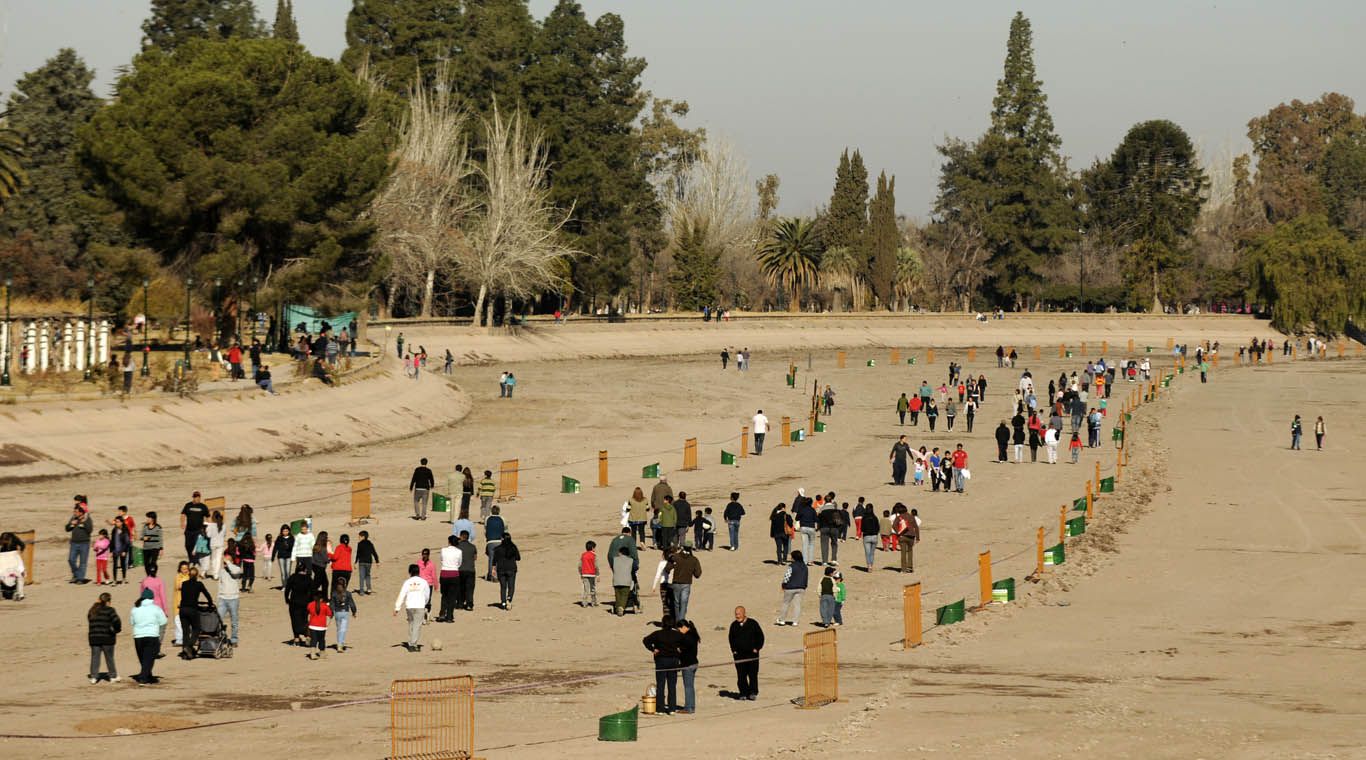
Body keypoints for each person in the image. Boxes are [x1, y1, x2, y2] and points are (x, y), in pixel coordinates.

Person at [643, 616, 685, 714]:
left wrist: (652, 649)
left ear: (663, 623)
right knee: (672, 686)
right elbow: (685, 642)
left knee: (660, 685)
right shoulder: (677, 635)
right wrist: (680, 650)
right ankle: (672, 709)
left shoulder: (658, 634)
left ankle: (660, 709)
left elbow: (645, 640)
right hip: (673, 661)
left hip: (661, 661)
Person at [130, 589, 167, 685]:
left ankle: (148, 675)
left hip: (138, 636)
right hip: (152, 635)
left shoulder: (135, 609)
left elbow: (132, 622)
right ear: (152, 598)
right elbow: (163, 621)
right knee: (149, 658)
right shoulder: (156, 608)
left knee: (143, 658)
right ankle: (143, 678)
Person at [729, 606, 764, 700]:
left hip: (752, 655)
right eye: (736, 614)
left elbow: (760, 636)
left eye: (739, 614)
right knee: (741, 675)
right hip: (739, 655)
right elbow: (731, 639)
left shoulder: (753, 623)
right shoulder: (734, 625)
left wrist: (757, 648)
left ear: (744, 613)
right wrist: (734, 650)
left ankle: (753, 692)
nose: (737, 616)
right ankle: (743, 693)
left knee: (752, 674)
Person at [177, 565, 212, 659]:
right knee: (196, 629)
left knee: (185, 631)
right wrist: (210, 604)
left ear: (189, 574)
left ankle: (185, 652)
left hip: (183, 609)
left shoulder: (184, 584)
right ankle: (189, 646)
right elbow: (207, 595)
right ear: (197, 576)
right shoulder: (199, 584)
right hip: (192, 609)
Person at [87, 592, 122, 683]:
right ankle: (112, 676)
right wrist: (116, 630)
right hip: (107, 637)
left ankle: (94, 677)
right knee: (109, 657)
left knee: (95, 658)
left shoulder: (92, 610)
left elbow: (90, 620)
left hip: (94, 637)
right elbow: (117, 621)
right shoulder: (110, 610)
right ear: (108, 601)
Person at [394, 564, 429, 652]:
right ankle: (413, 644)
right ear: (418, 572)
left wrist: (397, 608)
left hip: (409, 606)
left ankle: (411, 643)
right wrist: (425, 603)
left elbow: (402, 595)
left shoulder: (407, 582)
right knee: (417, 625)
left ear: (410, 572)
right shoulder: (423, 582)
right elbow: (427, 595)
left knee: (411, 624)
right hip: (419, 606)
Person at [666, 546, 701, 621]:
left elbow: (667, 568)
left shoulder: (675, 557)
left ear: (682, 548)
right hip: (686, 584)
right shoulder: (694, 559)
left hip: (676, 583)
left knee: (676, 603)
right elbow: (697, 574)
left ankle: (678, 621)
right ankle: (681, 622)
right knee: (684, 603)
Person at [217, 547, 242, 645]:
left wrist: (228, 562)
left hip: (233, 599)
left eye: (227, 560)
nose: (224, 563)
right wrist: (218, 597)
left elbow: (235, 572)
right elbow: (220, 585)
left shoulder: (236, 569)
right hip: (222, 599)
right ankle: (221, 637)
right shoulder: (222, 571)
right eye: (224, 561)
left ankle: (234, 639)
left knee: (234, 621)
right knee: (218, 620)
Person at [284, 562, 313, 646]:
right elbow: (313, 591)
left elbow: (287, 590)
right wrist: (311, 601)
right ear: (305, 570)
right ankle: (307, 635)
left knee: (294, 620)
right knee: (304, 620)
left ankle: (296, 638)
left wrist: (287, 599)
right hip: (305, 603)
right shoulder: (308, 578)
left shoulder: (292, 577)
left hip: (294, 602)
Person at [677, 618, 701, 714]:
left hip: (688, 664)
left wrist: (678, 650)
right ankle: (691, 706)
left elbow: (683, 650)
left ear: (683, 627)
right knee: (690, 686)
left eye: (679, 630)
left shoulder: (687, 637)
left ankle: (689, 708)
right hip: (694, 663)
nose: (679, 632)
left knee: (688, 687)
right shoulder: (693, 634)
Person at [777, 551, 808, 625]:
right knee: (797, 605)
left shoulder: (791, 566)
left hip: (790, 588)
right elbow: (806, 577)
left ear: (794, 558)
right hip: (801, 587)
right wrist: (804, 586)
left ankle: (782, 620)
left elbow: (787, 576)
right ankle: (795, 621)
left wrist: (783, 585)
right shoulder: (805, 567)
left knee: (786, 603)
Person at [437, 535, 461, 622]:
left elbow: (442, 560)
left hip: (444, 574)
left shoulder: (443, 550)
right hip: (454, 574)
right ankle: (450, 616)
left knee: (444, 596)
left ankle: (442, 613)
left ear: (449, 542)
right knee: (452, 597)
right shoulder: (459, 551)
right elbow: (459, 563)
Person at [493, 533, 520, 609]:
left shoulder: (497, 548)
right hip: (511, 568)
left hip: (501, 569)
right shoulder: (513, 547)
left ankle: (503, 603)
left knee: (503, 587)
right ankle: (509, 598)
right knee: (511, 586)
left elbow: (494, 560)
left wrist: (493, 568)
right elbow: (518, 558)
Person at [180, 491, 209, 562]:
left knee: (196, 546)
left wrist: (208, 526)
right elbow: (183, 514)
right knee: (187, 545)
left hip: (198, 530)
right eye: (196, 497)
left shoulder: (203, 506)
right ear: (193, 498)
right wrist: (182, 523)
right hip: (189, 530)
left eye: (198, 497)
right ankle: (191, 558)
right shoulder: (188, 505)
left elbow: (208, 516)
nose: (197, 499)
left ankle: (195, 560)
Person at [331, 577, 357, 652]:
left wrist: (331, 612)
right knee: (343, 629)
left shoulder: (334, 593)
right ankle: (340, 644)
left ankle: (339, 643)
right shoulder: (348, 593)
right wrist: (354, 612)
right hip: (345, 612)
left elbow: (332, 604)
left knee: (339, 629)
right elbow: (352, 604)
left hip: (337, 613)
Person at [305, 592, 333, 660]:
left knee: (314, 640)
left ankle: (312, 654)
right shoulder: (325, 606)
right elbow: (330, 615)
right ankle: (322, 653)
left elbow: (308, 613)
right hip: (322, 626)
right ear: (321, 599)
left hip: (312, 626)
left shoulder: (310, 604)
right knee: (321, 640)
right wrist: (327, 625)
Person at [893, 506, 920, 573]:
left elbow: (894, 525)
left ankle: (903, 569)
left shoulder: (899, 517)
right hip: (911, 536)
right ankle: (910, 567)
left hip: (902, 536)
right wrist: (917, 538)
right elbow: (916, 527)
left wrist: (898, 532)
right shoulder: (911, 516)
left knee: (903, 553)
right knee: (910, 551)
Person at [456, 531, 477, 610]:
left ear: (461, 536)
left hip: (460, 569)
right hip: (470, 570)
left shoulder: (457, 546)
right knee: (470, 588)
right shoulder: (473, 546)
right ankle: (469, 604)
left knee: (460, 587)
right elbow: (475, 558)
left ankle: (460, 603)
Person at [611, 546, 634, 616]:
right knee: (624, 595)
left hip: (616, 580)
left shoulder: (615, 559)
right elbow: (635, 568)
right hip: (626, 581)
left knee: (618, 595)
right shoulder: (631, 560)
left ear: (621, 553)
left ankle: (618, 607)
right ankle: (621, 607)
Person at [484, 508, 506, 580]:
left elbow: (485, 528)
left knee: (491, 559)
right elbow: (505, 528)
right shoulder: (502, 518)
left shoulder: (487, 518)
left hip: (490, 541)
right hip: (499, 541)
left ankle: (492, 575)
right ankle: (498, 574)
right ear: (499, 511)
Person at [139, 512, 163, 579]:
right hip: (146, 548)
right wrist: (144, 538)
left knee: (153, 562)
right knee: (146, 564)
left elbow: (160, 539)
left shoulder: (158, 527)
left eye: (148, 517)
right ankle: (148, 576)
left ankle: (153, 574)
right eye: (147, 517)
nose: (147, 519)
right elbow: (141, 536)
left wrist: (161, 549)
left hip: (155, 548)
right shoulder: (145, 527)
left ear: (153, 518)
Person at [355, 531, 379, 595]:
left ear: (363, 537)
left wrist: (355, 562)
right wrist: (377, 561)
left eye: (359, 536)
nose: (358, 538)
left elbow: (358, 554)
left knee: (361, 577)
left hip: (362, 562)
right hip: (369, 562)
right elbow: (374, 553)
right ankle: (369, 589)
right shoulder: (370, 543)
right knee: (367, 575)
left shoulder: (359, 544)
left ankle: (362, 591)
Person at [859, 507, 880, 571]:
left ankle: (869, 566)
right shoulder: (875, 517)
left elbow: (862, 528)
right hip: (874, 536)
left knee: (867, 553)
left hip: (866, 536)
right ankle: (871, 565)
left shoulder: (864, 518)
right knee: (872, 553)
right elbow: (878, 527)